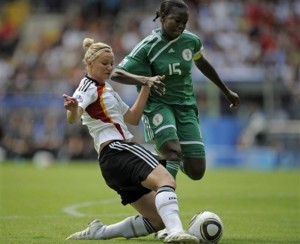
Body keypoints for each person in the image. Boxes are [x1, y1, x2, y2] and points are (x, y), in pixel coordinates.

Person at [63, 37, 199, 243]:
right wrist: (73, 110)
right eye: (104, 63)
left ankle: (100, 232)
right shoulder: (87, 86)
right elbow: (74, 117)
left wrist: (145, 84)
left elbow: (133, 118)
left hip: (112, 162)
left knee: (156, 220)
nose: (109, 68)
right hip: (118, 149)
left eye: (111, 63)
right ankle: (176, 232)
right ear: (89, 64)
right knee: (166, 180)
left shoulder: (107, 90)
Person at [111, 0, 240, 181]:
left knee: (196, 171)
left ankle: (159, 165)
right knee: (173, 151)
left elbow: (201, 62)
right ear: (162, 18)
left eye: (184, 23)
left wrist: (226, 91)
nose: (180, 26)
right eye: (176, 20)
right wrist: (146, 80)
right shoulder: (148, 46)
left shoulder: (191, 41)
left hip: (185, 107)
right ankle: (160, 198)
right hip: (158, 105)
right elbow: (116, 73)